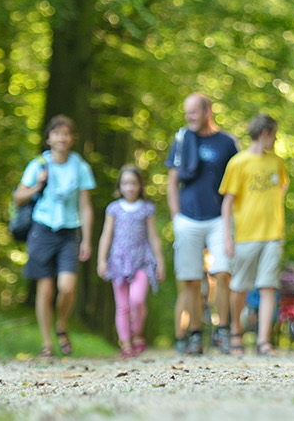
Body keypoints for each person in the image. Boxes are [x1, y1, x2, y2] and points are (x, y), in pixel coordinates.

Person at [13, 114, 96, 360]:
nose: (62, 138)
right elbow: (18, 197)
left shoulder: (80, 167)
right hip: (42, 230)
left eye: (66, 133)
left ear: (72, 139)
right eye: (57, 133)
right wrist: (38, 185)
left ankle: (61, 324)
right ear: (49, 138)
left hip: (69, 232)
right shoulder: (38, 165)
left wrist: (87, 240)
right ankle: (47, 344)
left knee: (66, 287)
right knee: (45, 290)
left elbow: (85, 206)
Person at [165, 92, 241, 355]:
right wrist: (176, 217)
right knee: (190, 279)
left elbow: (239, 181)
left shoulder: (227, 142)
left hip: (219, 218)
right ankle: (195, 333)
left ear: (207, 111)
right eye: (187, 113)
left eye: (193, 112)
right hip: (187, 218)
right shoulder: (181, 139)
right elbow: (172, 182)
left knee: (222, 272)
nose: (189, 117)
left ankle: (223, 331)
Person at [220, 113, 289, 357]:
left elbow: (282, 185)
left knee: (268, 286)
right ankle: (236, 331)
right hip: (245, 235)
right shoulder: (238, 163)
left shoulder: (277, 162)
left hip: (273, 234)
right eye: (274, 135)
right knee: (239, 287)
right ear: (264, 134)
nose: (276, 139)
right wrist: (227, 237)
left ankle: (263, 341)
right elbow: (227, 202)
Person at [96, 165, 166, 359]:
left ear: (140, 185)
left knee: (137, 300)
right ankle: (126, 343)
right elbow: (106, 235)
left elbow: (153, 237)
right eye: (125, 183)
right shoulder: (114, 209)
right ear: (120, 186)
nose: (129, 187)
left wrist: (160, 262)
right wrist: (101, 260)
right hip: (118, 262)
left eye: (133, 183)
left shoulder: (146, 209)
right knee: (122, 306)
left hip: (142, 261)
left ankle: (137, 331)